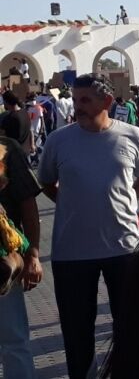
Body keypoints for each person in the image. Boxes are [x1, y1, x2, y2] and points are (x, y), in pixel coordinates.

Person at [36, 73, 139, 379]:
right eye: (75, 100)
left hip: (124, 247)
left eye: (85, 100)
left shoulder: (132, 136)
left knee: (131, 328)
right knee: (77, 336)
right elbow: (47, 181)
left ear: (106, 101)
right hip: (71, 253)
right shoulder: (58, 140)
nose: (78, 107)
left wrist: (122, 201)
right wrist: (73, 202)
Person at [0, 133, 43, 379]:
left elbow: (28, 203)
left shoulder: (7, 148)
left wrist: (33, 254)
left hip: (4, 263)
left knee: (13, 339)